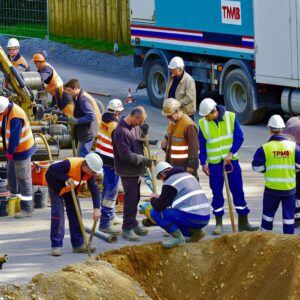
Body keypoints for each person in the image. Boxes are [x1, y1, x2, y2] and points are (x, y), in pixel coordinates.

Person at [198, 98, 258, 234]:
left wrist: (231, 153)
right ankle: (218, 223)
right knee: (217, 193)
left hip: (231, 162)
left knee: (237, 191)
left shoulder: (231, 117)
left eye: (208, 116)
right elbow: (202, 145)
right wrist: (203, 162)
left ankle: (243, 222)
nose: (206, 119)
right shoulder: (203, 123)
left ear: (215, 111)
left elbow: (239, 137)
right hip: (214, 164)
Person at [45, 153, 103, 256]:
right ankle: (56, 245)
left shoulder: (89, 173)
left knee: (76, 214)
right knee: (58, 215)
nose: (94, 175)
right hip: (56, 187)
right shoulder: (69, 164)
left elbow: (94, 189)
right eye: (93, 172)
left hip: (71, 189)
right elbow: (51, 170)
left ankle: (78, 244)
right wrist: (66, 178)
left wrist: (97, 208)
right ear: (86, 167)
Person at [143, 162, 210, 248]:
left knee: (155, 213)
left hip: (192, 217)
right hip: (205, 217)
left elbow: (159, 206)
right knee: (175, 215)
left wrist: (153, 199)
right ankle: (197, 233)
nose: (162, 180)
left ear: (163, 174)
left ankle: (178, 238)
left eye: (160, 178)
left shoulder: (170, 182)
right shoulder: (188, 176)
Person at [252, 115, 300, 234]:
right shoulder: (294, 147)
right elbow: (299, 166)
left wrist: (267, 170)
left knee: (267, 216)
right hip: (289, 190)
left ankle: (265, 241)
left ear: (269, 130)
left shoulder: (264, 148)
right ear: (283, 129)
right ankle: (287, 242)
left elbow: (256, 167)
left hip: (271, 189)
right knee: (289, 219)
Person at [112, 106, 153, 241]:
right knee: (130, 200)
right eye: (140, 121)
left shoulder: (134, 126)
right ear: (135, 117)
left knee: (136, 198)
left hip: (136, 170)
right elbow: (126, 155)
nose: (141, 124)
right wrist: (143, 160)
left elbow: (137, 140)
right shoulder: (121, 131)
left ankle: (133, 223)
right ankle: (127, 228)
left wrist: (145, 137)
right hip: (128, 171)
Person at [0, 96, 36, 218]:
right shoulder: (5, 111)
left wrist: (10, 152)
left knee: (23, 178)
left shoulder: (16, 116)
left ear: (4, 109)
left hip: (22, 150)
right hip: (12, 150)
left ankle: (27, 208)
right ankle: (15, 202)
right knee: (12, 176)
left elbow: (14, 139)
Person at [95, 99, 124, 234]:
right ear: (118, 112)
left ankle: (111, 216)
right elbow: (120, 145)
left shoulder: (103, 120)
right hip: (112, 161)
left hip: (102, 158)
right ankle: (105, 223)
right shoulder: (114, 126)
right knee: (111, 193)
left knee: (107, 187)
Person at [161, 98, 199, 179]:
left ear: (177, 111)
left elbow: (194, 148)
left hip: (184, 167)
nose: (168, 118)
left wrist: (191, 166)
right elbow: (172, 140)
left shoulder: (188, 125)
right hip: (174, 166)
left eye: (169, 115)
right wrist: (165, 144)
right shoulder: (173, 123)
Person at [64, 79, 102, 157]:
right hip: (85, 132)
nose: (68, 93)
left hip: (87, 133)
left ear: (75, 88)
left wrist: (77, 121)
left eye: (69, 90)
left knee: (81, 156)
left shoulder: (83, 100)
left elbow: (91, 116)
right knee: (80, 155)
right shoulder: (78, 96)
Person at [32, 53, 73, 117]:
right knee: (53, 107)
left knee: (62, 112)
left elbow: (41, 79)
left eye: (35, 62)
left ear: (40, 62)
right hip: (55, 92)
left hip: (60, 92)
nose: (34, 64)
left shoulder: (47, 69)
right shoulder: (42, 68)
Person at [283, 116, 300, 227]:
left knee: (296, 191)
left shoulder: (291, 122)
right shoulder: (294, 124)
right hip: (295, 158)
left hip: (291, 161)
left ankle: (296, 218)